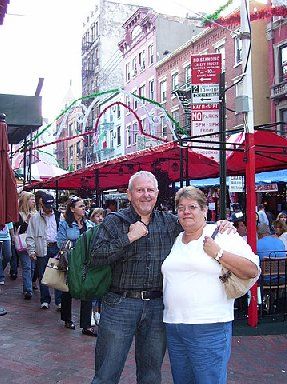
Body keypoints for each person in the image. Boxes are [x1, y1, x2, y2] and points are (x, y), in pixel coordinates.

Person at [90, 171, 234, 384]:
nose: (145, 195)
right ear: (129, 195)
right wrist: (129, 237)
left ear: (157, 195)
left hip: (157, 306)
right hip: (120, 303)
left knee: (150, 374)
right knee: (107, 373)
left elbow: (194, 223)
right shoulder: (114, 221)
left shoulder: (169, 222)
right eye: (140, 190)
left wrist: (222, 225)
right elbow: (96, 257)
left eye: (150, 190)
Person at [161, 186, 259, 384]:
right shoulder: (176, 239)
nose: (186, 211)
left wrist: (219, 253)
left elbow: (252, 270)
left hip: (209, 326)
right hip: (174, 326)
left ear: (205, 210)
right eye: (181, 208)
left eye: (192, 206)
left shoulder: (221, 233)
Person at [57, 196, 96, 336]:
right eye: (80, 206)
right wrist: (73, 251)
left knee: (87, 290)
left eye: (84, 206)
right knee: (68, 290)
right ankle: (67, 318)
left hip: (87, 261)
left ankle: (86, 325)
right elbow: (60, 242)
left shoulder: (90, 224)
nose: (83, 208)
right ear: (72, 209)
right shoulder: (65, 224)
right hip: (72, 261)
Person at [26, 194, 62, 309]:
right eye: (47, 206)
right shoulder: (35, 218)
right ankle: (45, 299)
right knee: (43, 275)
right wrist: (31, 251)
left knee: (57, 274)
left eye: (51, 205)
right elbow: (30, 235)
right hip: (42, 247)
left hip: (56, 246)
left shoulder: (58, 215)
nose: (49, 208)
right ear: (42, 204)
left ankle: (59, 301)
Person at [14, 191, 36, 299]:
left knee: (32, 268)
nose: (34, 202)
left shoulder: (36, 213)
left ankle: (28, 286)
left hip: (34, 244)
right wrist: (27, 221)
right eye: (31, 199)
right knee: (27, 266)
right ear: (26, 201)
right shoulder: (19, 214)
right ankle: (28, 290)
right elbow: (19, 230)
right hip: (23, 243)